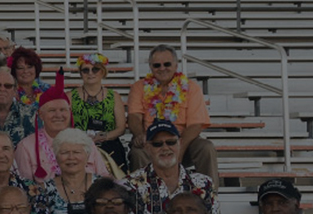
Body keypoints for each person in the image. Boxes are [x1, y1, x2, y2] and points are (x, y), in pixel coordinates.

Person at [128, 45, 219, 181]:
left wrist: (179, 148)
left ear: (176, 66)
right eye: (157, 65)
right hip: (152, 140)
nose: (162, 68)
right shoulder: (139, 87)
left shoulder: (191, 87)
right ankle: (145, 197)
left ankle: (210, 196)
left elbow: (196, 124)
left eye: (167, 64)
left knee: (206, 148)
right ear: (151, 67)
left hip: (183, 141)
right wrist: (140, 135)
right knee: (138, 152)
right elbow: (134, 116)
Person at [16, 89, 112, 181]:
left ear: (70, 112)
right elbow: (25, 187)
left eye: (63, 110)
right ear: (41, 114)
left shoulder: (86, 142)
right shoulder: (26, 147)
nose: (58, 115)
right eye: (52, 110)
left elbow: (103, 177)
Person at [28, 129, 102, 214]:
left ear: (87, 156)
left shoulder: (102, 187)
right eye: (65, 153)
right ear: (56, 157)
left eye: (77, 152)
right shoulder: (44, 190)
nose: (71, 157)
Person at [70, 54, 129, 168]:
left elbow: (121, 127)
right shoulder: (70, 97)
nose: (90, 73)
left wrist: (105, 136)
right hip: (78, 146)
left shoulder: (114, 96)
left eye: (95, 69)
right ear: (81, 73)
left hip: (109, 145)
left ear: (102, 72)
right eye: (85, 70)